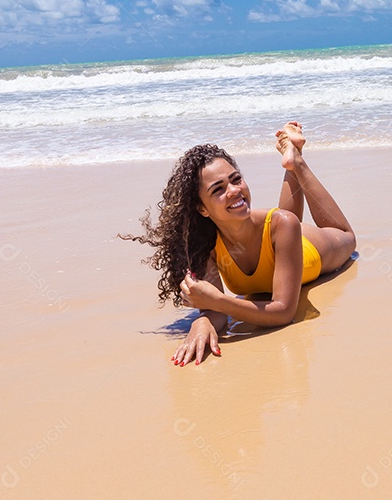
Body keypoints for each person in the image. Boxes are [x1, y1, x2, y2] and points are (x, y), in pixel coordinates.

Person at [124, 122, 356, 366]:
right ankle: (292, 155)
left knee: (343, 236)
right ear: (202, 209)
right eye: (218, 190)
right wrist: (202, 321)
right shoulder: (206, 245)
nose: (234, 190)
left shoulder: (283, 225)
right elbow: (214, 310)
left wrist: (217, 303)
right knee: (282, 223)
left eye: (236, 179)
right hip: (278, 237)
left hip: (309, 249)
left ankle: (297, 163)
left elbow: (284, 311)